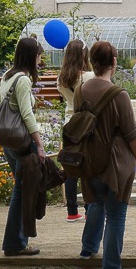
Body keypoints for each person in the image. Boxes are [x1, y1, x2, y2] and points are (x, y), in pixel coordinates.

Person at [78, 41, 136, 269]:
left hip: (90, 159)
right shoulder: (119, 94)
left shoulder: (81, 91)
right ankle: (112, 268)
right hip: (115, 162)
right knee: (116, 215)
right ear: (113, 63)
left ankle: (88, 248)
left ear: (92, 62)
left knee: (96, 204)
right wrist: (135, 159)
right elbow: (131, 134)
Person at [0, 38, 48, 256]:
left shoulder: (8, 76)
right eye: (38, 56)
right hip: (21, 141)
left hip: (8, 140)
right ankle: (15, 242)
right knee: (21, 191)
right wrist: (39, 143)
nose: (40, 60)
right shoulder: (23, 81)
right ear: (31, 56)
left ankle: (17, 240)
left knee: (20, 188)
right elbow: (27, 115)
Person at [57, 39, 94, 223]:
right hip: (84, 124)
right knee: (87, 167)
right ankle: (89, 208)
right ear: (83, 55)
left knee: (70, 166)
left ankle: (72, 210)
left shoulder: (61, 78)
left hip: (69, 123)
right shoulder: (87, 77)